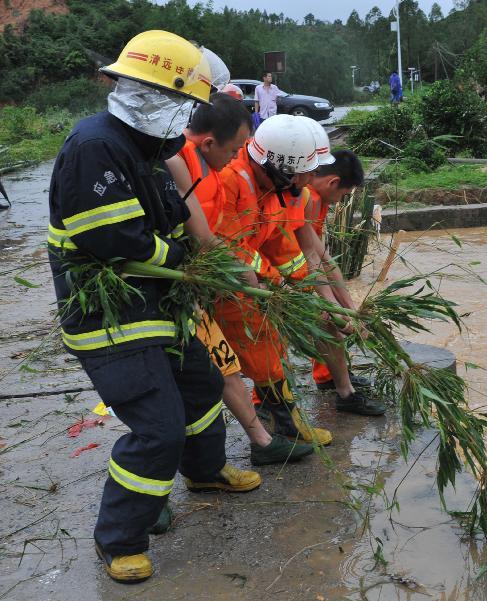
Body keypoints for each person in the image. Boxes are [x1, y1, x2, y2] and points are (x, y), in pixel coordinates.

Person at [47, 30, 261, 584]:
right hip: (109, 316)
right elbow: (112, 238)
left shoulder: (148, 147)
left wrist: (203, 262)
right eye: (186, 105)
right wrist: (187, 264)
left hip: (154, 299)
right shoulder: (95, 145)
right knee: (158, 427)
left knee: (201, 386)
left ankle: (206, 470)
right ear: (158, 97)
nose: (189, 120)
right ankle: (119, 540)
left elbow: (171, 215)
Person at [165, 91, 314, 466]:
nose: (235, 156)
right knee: (209, 374)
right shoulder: (208, 171)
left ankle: (263, 437)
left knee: (229, 366)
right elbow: (217, 239)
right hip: (198, 288)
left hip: (215, 284)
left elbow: (276, 244)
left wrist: (301, 289)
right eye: (234, 149)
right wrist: (257, 281)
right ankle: (260, 439)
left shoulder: (226, 175)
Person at [214, 114, 336, 445]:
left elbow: (279, 243)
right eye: (303, 174)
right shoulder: (231, 182)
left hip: (250, 284)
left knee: (271, 346)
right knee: (261, 349)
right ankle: (286, 426)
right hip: (226, 285)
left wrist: (301, 288)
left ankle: (284, 422)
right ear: (282, 170)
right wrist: (273, 281)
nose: (308, 181)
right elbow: (226, 245)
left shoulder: (268, 188)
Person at [291, 121, 385, 416]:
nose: (342, 200)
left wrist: (349, 308)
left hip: (300, 267)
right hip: (281, 271)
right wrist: (334, 308)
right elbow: (312, 259)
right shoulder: (308, 199)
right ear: (333, 183)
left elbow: (323, 257)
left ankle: (331, 377)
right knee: (326, 321)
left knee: (331, 319)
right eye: (345, 195)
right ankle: (343, 392)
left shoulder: (316, 200)